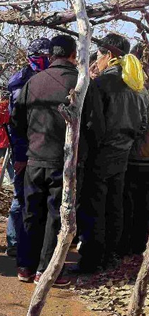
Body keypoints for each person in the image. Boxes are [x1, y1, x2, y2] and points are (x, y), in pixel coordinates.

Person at [11, 35, 103, 285]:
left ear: (51, 55)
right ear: (74, 55)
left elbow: (16, 122)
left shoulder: (32, 82)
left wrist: (24, 151)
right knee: (56, 216)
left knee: (32, 213)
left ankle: (25, 267)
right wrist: (86, 154)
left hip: (34, 160)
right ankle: (46, 270)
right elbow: (96, 126)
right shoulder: (82, 84)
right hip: (66, 163)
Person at [77, 34, 148, 272]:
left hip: (102, 153)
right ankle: (110, 257)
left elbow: (93, 123)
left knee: (94, 206)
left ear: (108, 55)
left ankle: (92, 260)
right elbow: (143, 124)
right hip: (124, 153)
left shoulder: (100, 84)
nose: (97, 60)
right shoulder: (137, 85)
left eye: (98, 55)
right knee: (115, 205)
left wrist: (93, 149)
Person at [5, 38, 51, 258]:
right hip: (26, 148)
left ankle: (31, 241)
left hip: (42, 148)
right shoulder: (21, 82)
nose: (45, 60)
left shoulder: (43, 78)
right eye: (42, 56)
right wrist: (21, 154)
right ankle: (15, 241)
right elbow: (17, 124)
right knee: (20, 196)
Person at [117, 43, 149, 256]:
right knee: (140, 204)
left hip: (136, 155)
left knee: (130, 202)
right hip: (140, 155)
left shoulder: (135, 89)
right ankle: (136, 246)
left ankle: (130, 247)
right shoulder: (139, 89)